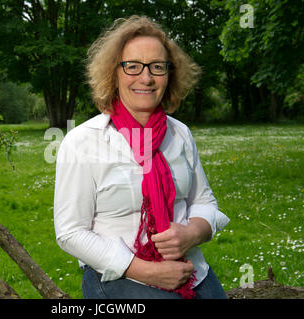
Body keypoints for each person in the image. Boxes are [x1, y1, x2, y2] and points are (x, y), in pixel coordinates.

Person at [54, 16, 230, 299]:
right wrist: (145, 270)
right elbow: (70, 232)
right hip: (119, 278)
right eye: (132, 66)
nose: (146, 78)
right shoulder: (83, 141)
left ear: (170, 74)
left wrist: (192, 233)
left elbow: (204, 201)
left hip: (192, 272)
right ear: (114, 73)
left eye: (157, 67)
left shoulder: (180, 134)